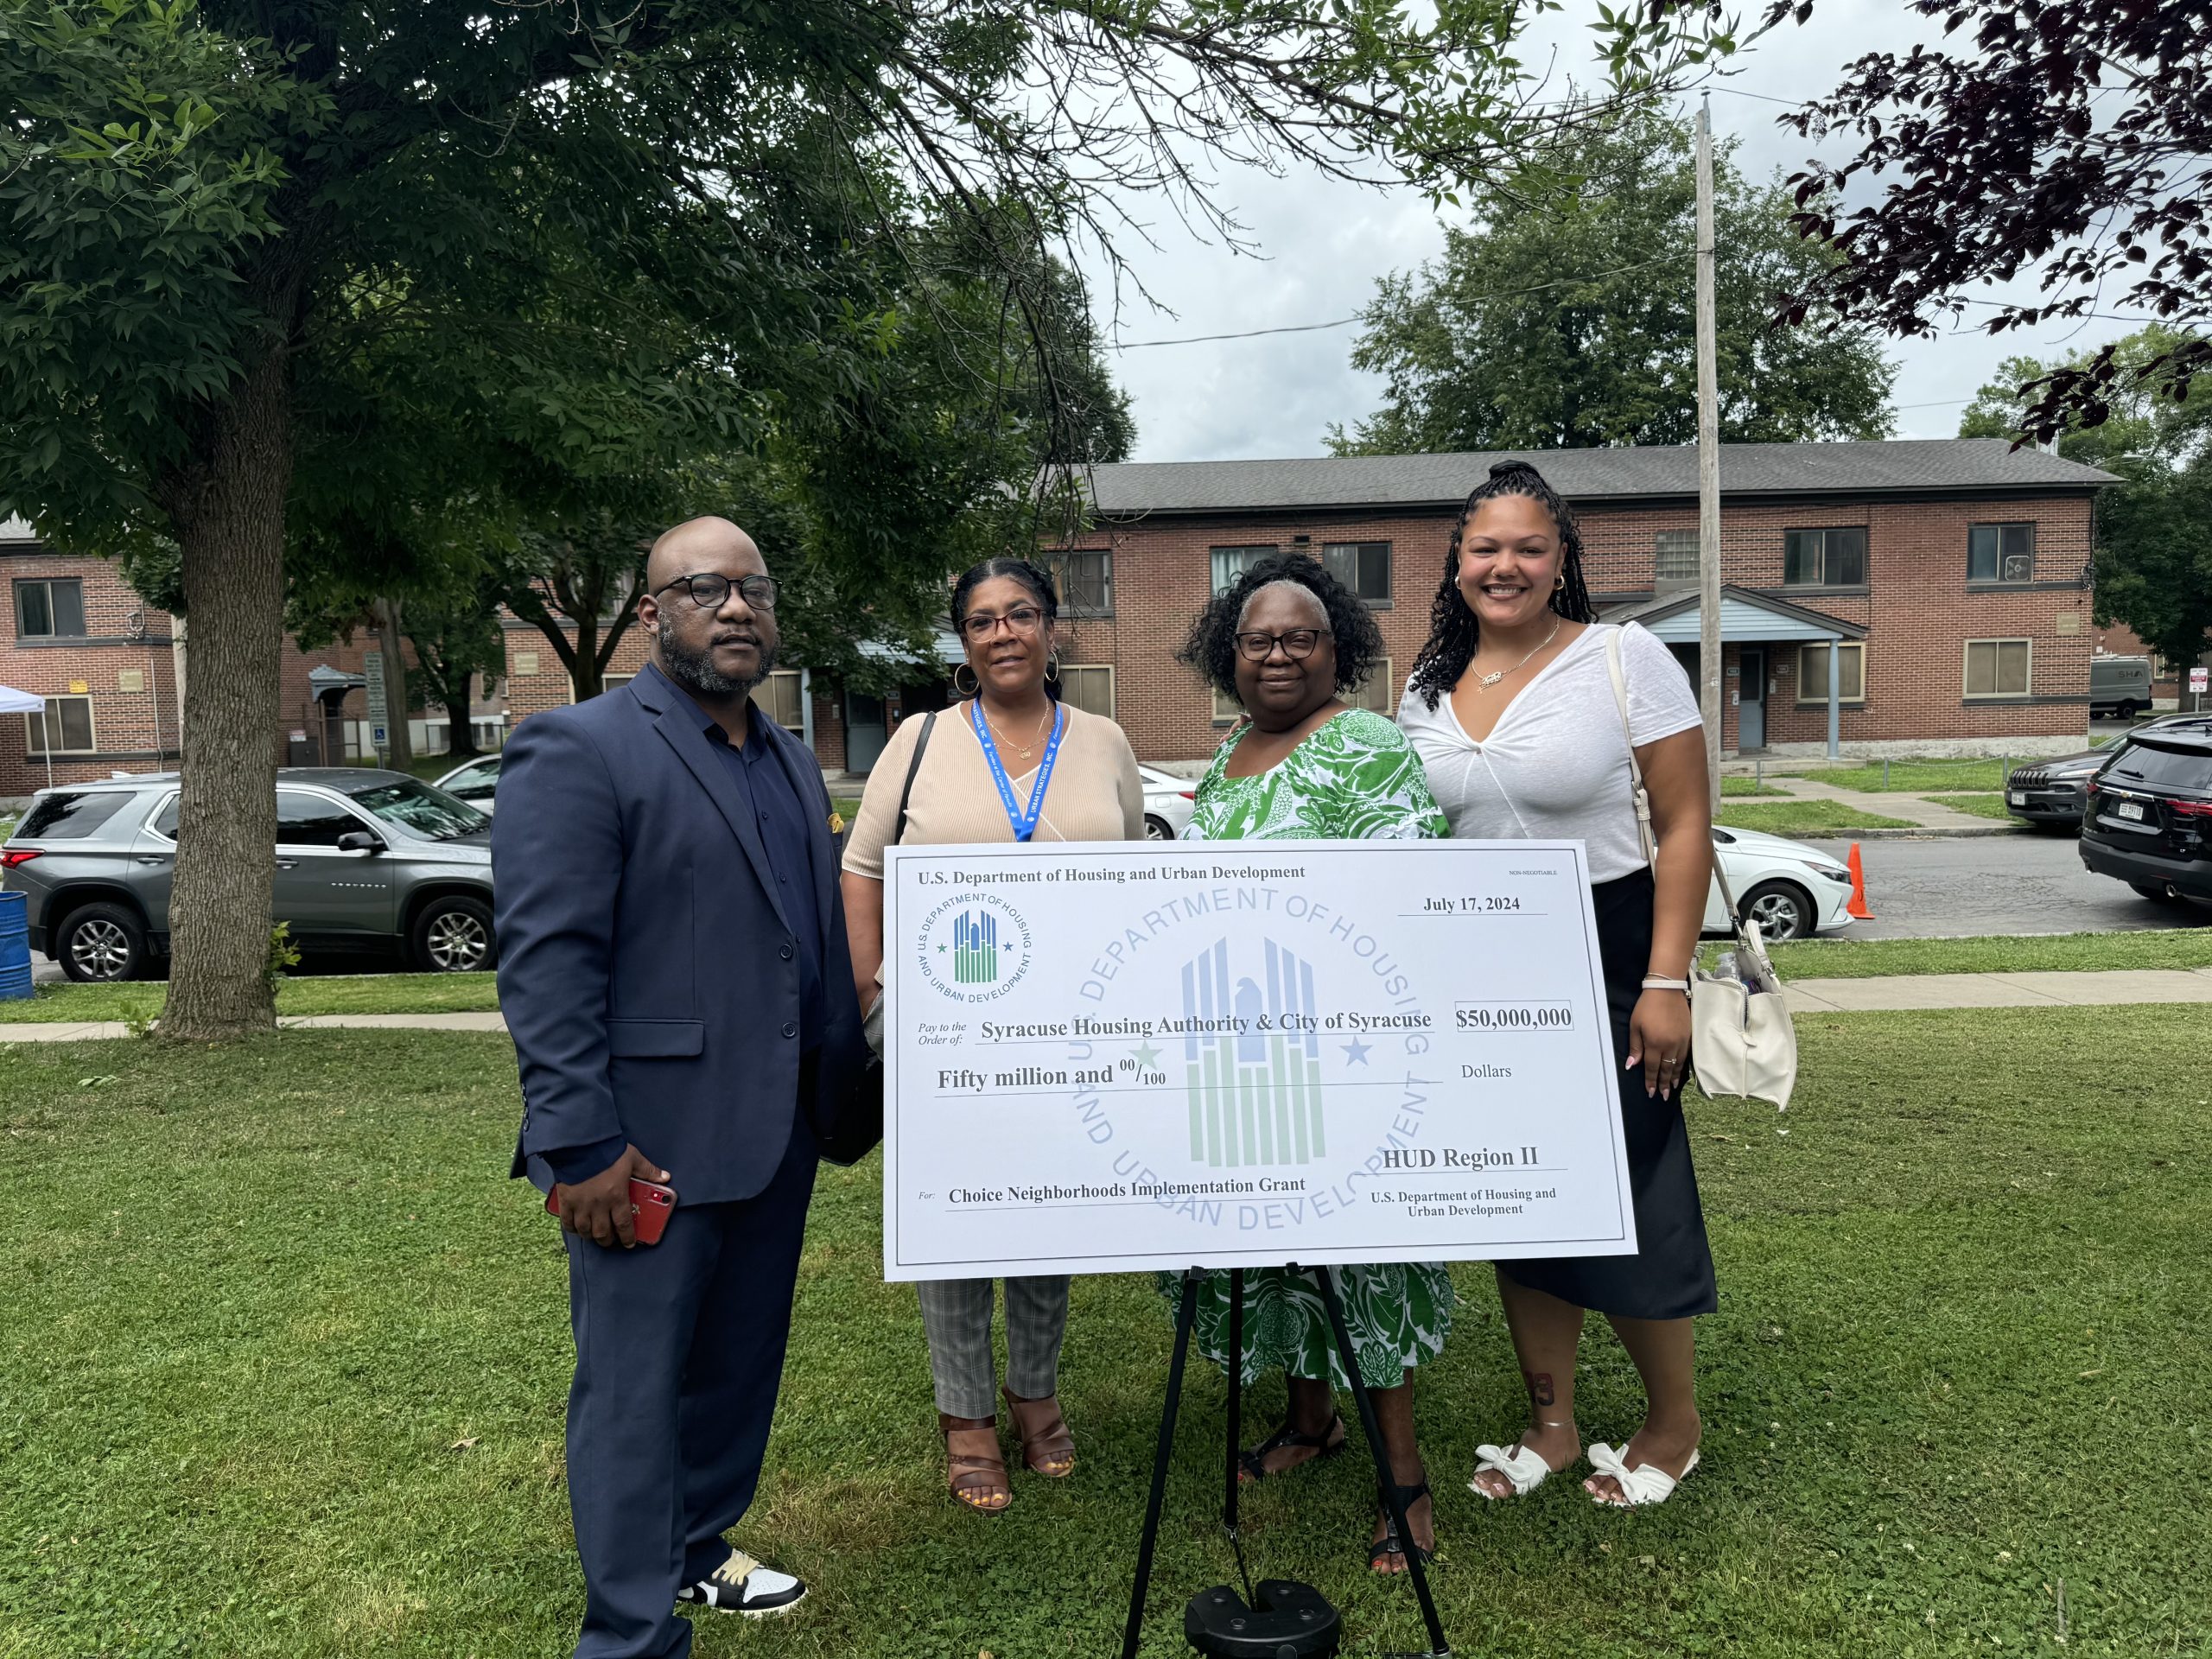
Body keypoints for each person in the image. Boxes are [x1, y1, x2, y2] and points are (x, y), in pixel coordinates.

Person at [494, 516, 868, 1656]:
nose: (740, 607)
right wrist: (578, 1143)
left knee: (735, 1372)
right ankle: (629, 1630)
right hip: (644, 1147)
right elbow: (547, 961)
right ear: (655, 615)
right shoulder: (581, 748)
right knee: (633, 1392)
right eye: (707, 589)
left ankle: (699, 1549)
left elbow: (799, 935)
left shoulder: (791, 757)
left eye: (755, 588)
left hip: (777, 1133)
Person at [1396, 459, 1716, 1510]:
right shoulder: (1425, 683)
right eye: (1485, 547)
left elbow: (1681, 827)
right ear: (1456, 560)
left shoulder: (1623, 659)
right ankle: (1552, 1420)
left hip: (1613, 944)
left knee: (1628, 1185)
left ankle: (1673, 1423)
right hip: (1480, 963)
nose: (1506, 565)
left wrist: (1663, 979)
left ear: (1561, 558)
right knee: (1518, 1190)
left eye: (1529, 547)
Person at [841, 556, 1146, 1514]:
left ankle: (1035, 1391)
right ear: (963, 641)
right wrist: (867, 991)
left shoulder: (1102, 741)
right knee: (954, 1217)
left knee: (1044, 1210)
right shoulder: (920, 740)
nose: (1002, 634)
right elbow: (862, 867)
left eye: (1020, 615)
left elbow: (1136, 880)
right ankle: (965, 1415)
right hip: (943, 1031)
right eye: (981, 621)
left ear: (1053, 629)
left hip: (1068, 1031)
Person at [1168, 552, 1452, 1573]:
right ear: (1227, 656)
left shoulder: (1366, 745)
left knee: (1365, 1262)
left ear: (1339, 649)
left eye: (1300, 637)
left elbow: (1408, 893)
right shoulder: (1228, 754)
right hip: (1241, 1055)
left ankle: (1404, 1482)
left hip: (1344, 1060)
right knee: (1275, 1254)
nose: (1277, 654)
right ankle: (1309, 1422)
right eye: (1256, 640)